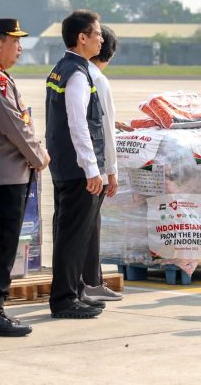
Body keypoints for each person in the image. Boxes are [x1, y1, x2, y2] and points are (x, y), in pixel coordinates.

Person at [0, 18, 50, 336]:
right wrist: (39, 157)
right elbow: (14, 126)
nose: (20, 47)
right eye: (15, 41)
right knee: (1, 244)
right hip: (5, 173)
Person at [46, 10, 107, 319]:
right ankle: (65, 299)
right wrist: (92, 169)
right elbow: (78, 124)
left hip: (66, 167)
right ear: (82, 38)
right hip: (78, 170)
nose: (101, 38)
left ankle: (76, 291)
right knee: (72, 234)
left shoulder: (64, 69)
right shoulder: (77, 75)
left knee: (72, 233)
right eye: (96, 33)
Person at [82, 25, 123, 302]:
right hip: (92, 166)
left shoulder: (77, 74)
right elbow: (105, 129)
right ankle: (91, 282)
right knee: (90, 227)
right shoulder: (97, 79)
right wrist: (112, 172)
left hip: (73, 164)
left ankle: (78, 281)